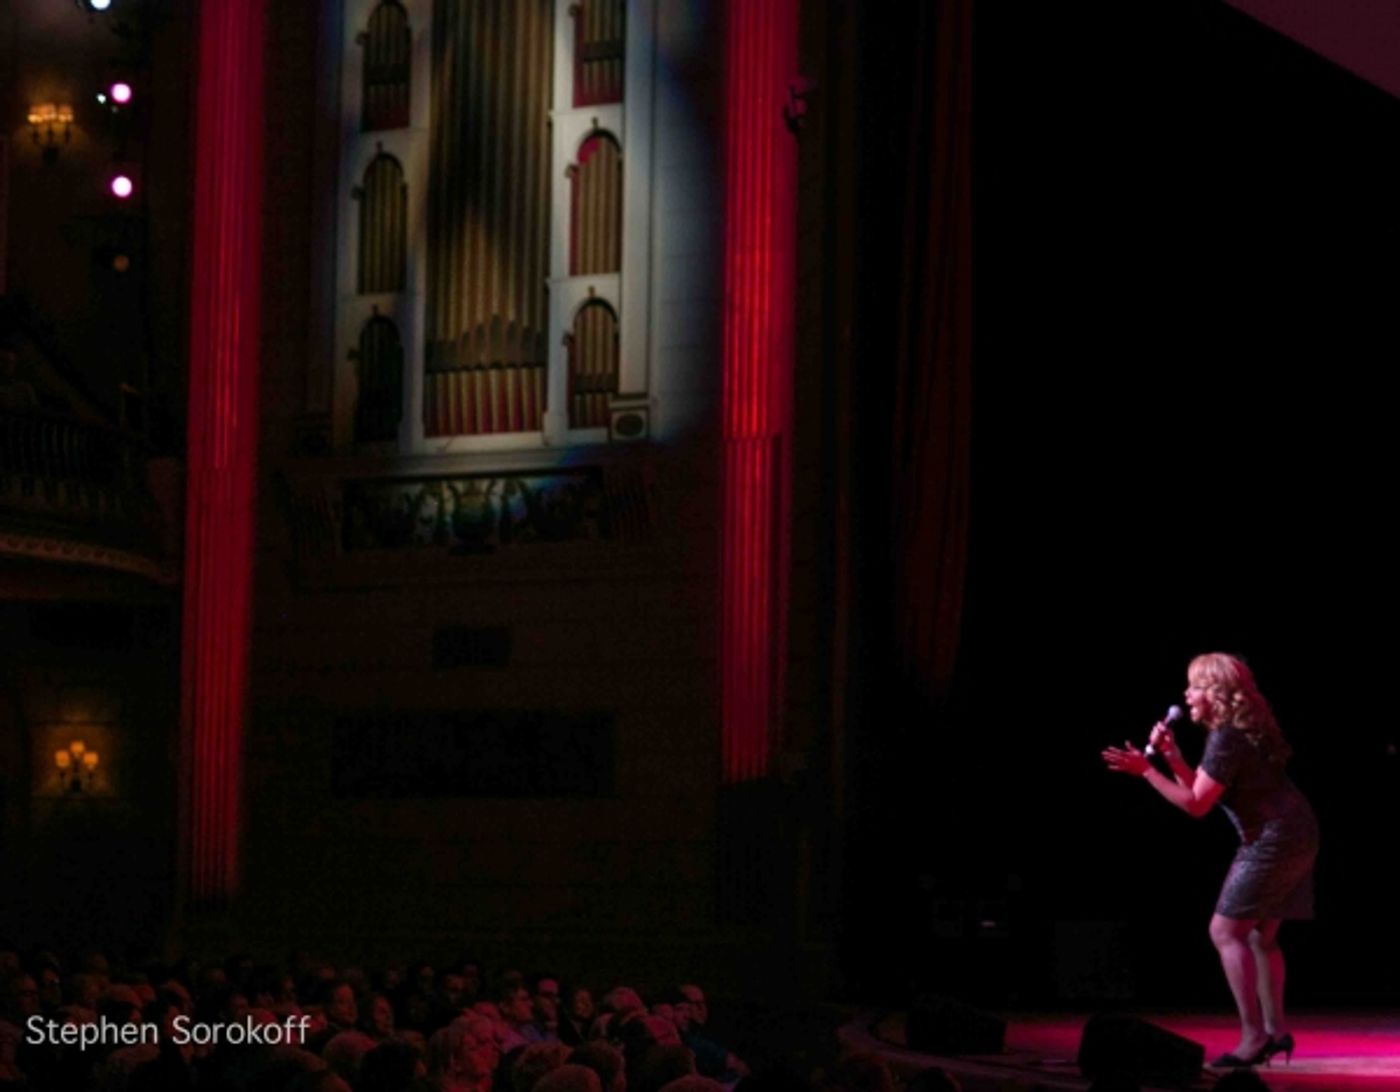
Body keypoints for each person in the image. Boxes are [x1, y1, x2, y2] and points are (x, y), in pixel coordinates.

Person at [1102, 652, 1318, 1069]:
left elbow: (1197, 805)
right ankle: (1275, 1032)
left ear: (1217, 694)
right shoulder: (1238, 732)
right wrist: (1172, 758)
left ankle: (1254, 1038)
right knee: (1261, 937)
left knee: (1225, 932)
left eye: (1195, 686)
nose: (1187, 694)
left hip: (1274, 837)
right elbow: (1207, 789)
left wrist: (1147, 771)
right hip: (1298, 830)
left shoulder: (1226, 738)